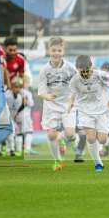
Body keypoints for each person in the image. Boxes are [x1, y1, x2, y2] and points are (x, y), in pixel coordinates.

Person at [68, 55, 109, 172]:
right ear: (77, 69)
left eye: (87, 70)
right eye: (81, 70)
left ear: (91, 67)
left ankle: (100, 149)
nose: (84, 73)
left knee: (103, 140)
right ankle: (98, 163)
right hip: (85, 112)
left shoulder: (100, 75)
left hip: (103, 111)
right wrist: (70, 103)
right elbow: (73, 93)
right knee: (90, 138)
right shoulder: (74, 80)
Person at [38, 37, 77, 171]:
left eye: (59, 50)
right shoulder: (44, 70)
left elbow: (78, 84)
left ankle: (63, 139)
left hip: (67, 105)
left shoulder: (71, 68)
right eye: (54, 50)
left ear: (63, 52)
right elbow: (41, 91)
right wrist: (47, 96)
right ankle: (57, 161)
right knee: (51, 135)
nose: (56, 53)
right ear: (49, 51)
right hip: (51, 106)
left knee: (71, 134)